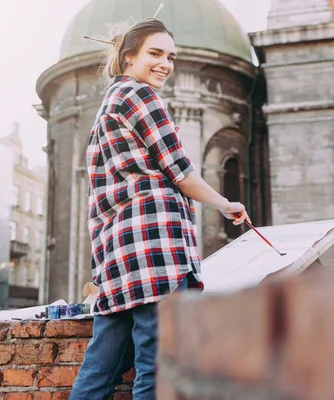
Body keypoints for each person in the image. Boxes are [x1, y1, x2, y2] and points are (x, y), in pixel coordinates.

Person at [69, 18, 249, 400]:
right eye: (155, 53)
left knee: (100, 369)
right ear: (128, 56)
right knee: (160, 367)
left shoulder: (109, 105)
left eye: (171, 56)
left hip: (119, 257)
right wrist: (225, 203)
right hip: (155, 250)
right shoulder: (142, 97)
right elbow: (181, 172)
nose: (165, 63)